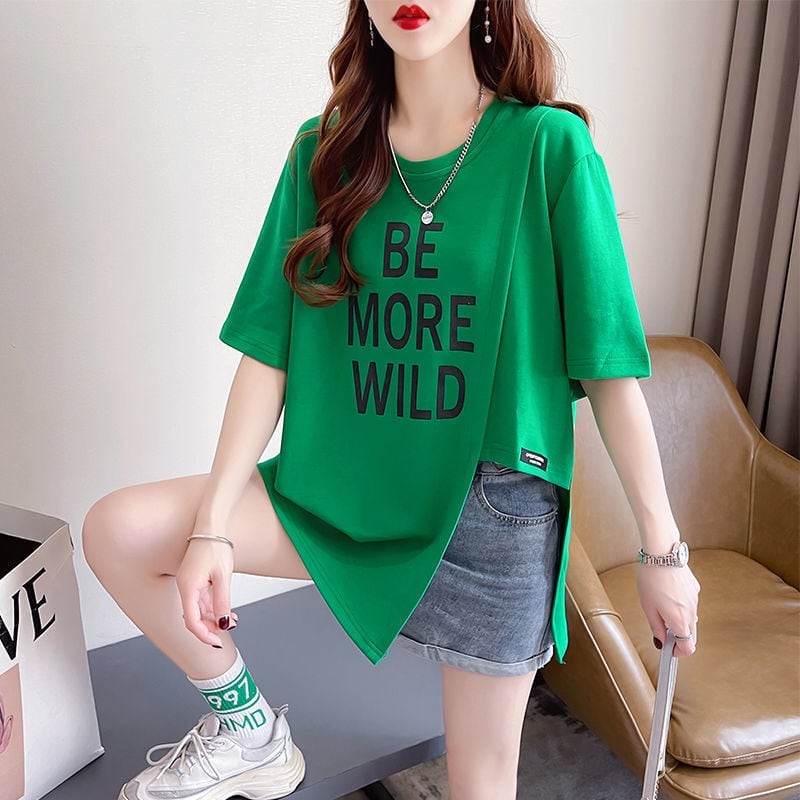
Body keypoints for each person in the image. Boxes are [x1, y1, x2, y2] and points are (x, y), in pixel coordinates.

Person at [82, 2, 703, 799]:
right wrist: (213, 526)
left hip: (489, 514)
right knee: (118, 531)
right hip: (346, 495)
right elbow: (269, 352)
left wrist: (662, 552)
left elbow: (610, 368)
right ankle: (250, 732)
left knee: (481, 782)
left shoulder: (547, 148)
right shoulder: (325, 152)